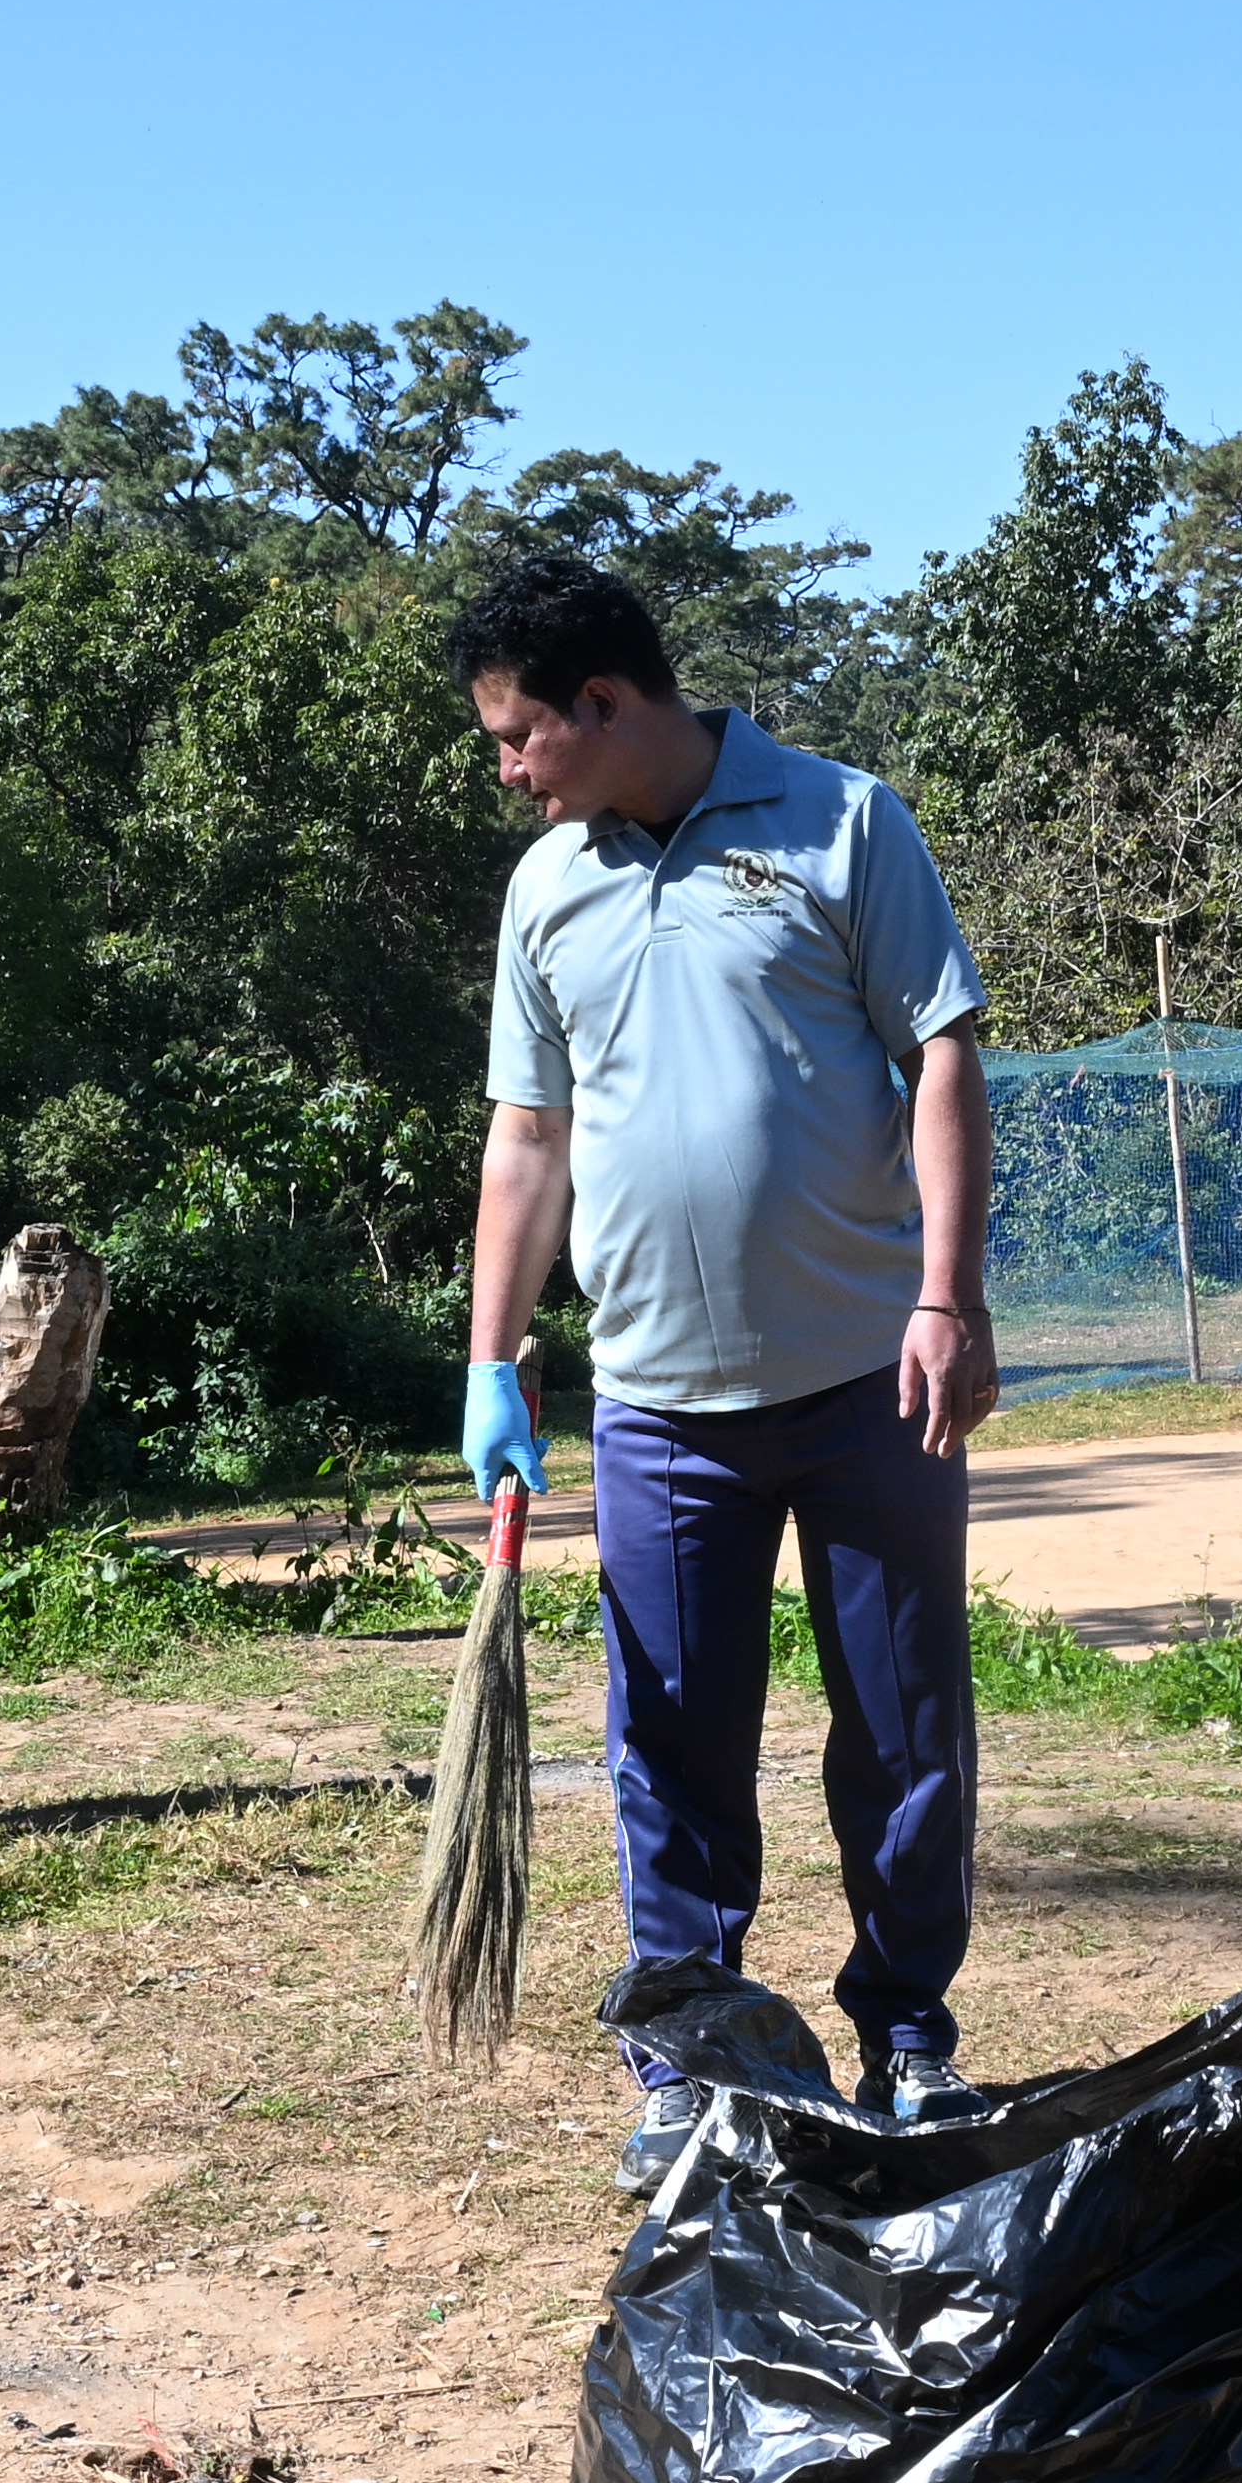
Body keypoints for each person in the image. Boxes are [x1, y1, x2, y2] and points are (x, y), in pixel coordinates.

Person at [447, 553, 1003, 2178]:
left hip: (866, 1386)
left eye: (514, 735)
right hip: (656, 1409)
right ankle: (691, 2067)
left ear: (601, 704)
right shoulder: (545, 886)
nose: (505, 770)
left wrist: (946, 1298)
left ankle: (906, 2040)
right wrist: (493, 1359)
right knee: (671, 1740)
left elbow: (944, 1053)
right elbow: (526, 1138)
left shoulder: (839, 820)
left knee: (902, 1729)